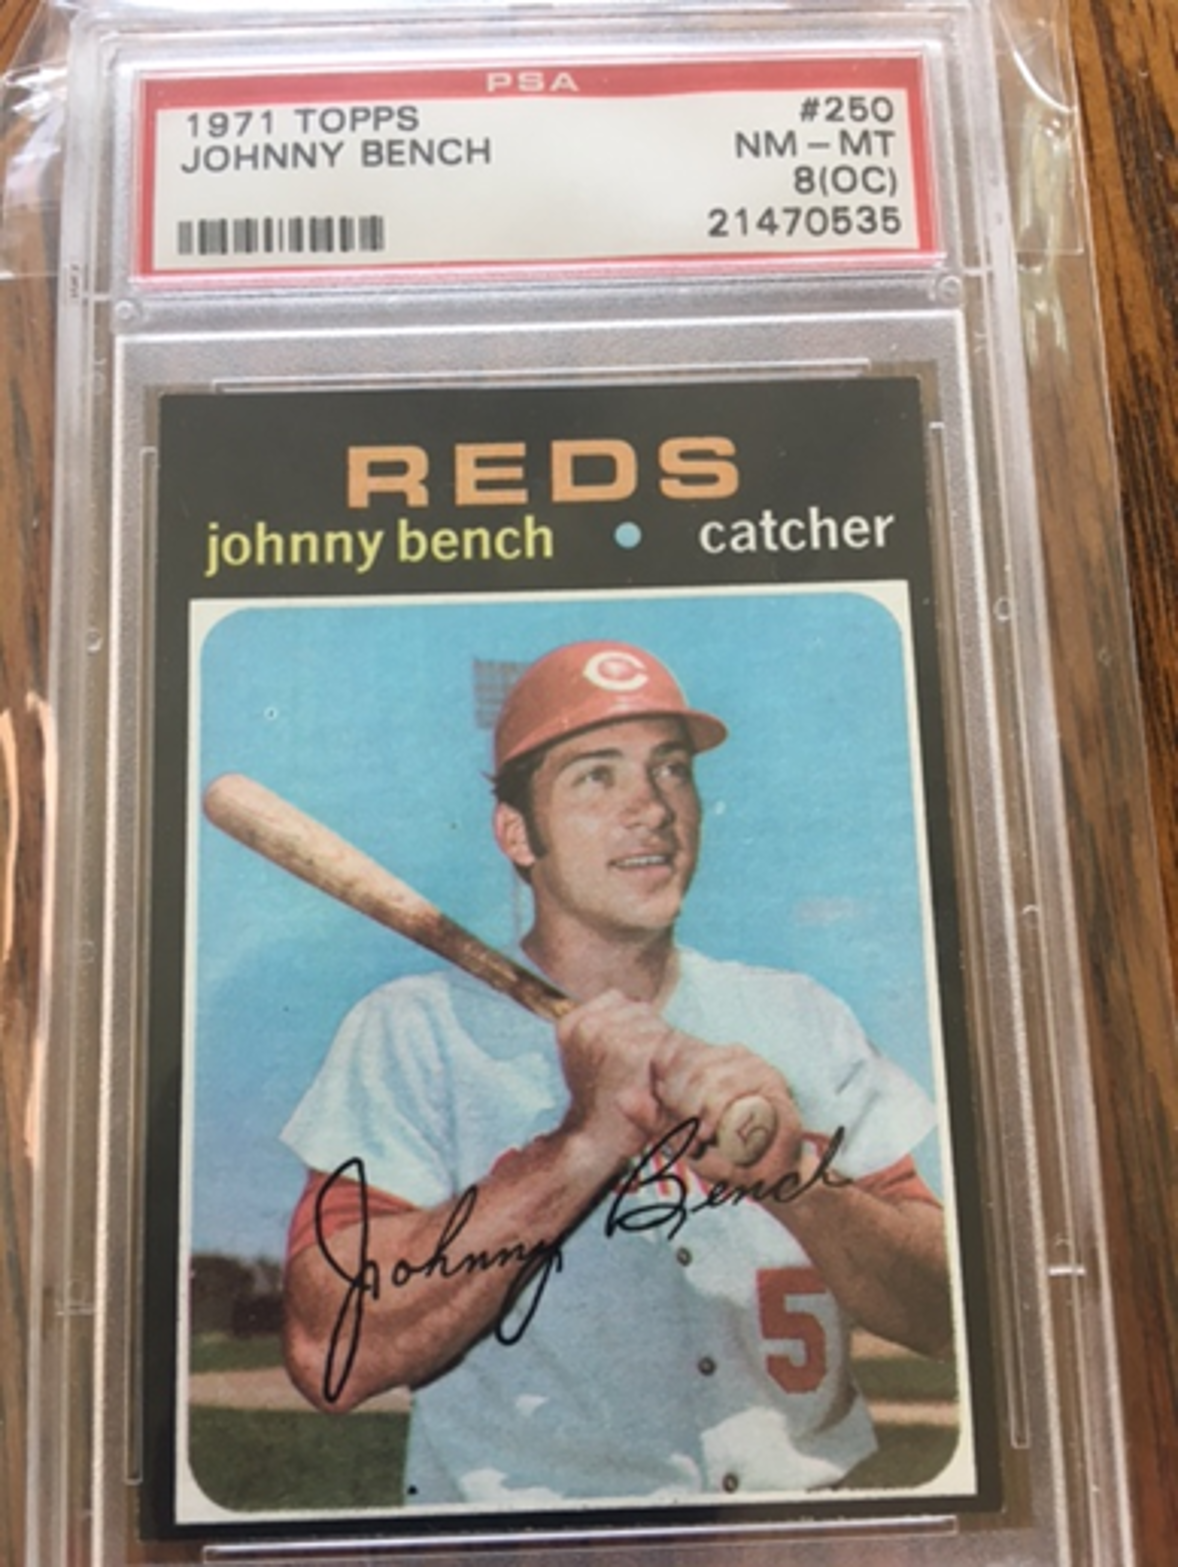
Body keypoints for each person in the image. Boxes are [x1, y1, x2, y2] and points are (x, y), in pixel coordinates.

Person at [280, 640, 952, 1508]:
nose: (652, 807)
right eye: (596, 776)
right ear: (517, 833)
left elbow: (948, 1313)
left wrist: (791, 1179)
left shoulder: (802, 1017)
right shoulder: (414, 1031)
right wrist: (583, 1144)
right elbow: (327, 1351)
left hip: (802, 1529)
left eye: (671, 769)